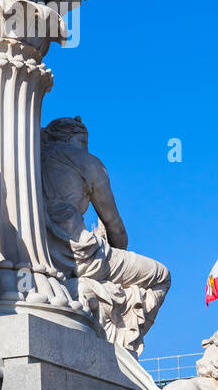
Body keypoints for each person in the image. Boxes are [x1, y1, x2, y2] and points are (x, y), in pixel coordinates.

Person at [41, 117, 170, 351]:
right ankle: (121, 344)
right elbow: (115, 227)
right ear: (72, 138)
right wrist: (115, 263)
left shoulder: (32, 157)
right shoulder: (88, 162)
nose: (86, 148)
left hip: (41, 251)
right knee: (160, 276)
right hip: (81, 254)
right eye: (83, 141)